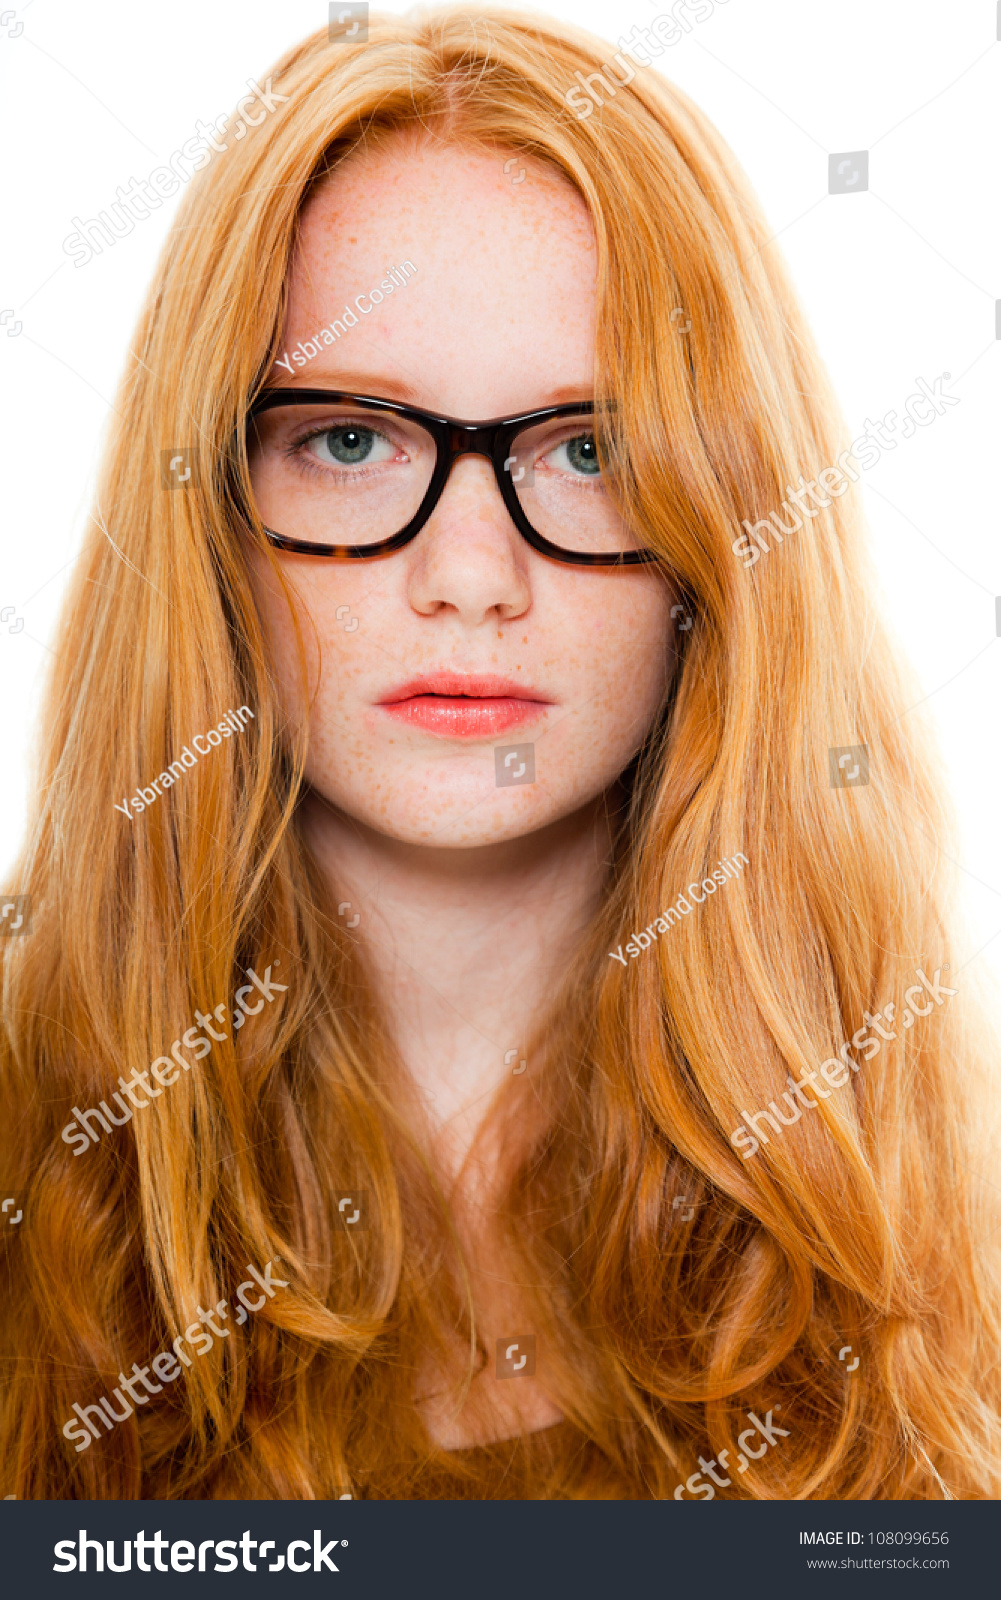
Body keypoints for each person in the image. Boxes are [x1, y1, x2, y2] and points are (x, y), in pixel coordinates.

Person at [2, 8, 998, 1501]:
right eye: (349, 441)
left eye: (585, 451)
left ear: (715, 540)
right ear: (207, 502)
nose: (469, 575)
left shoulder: (942, 1213)